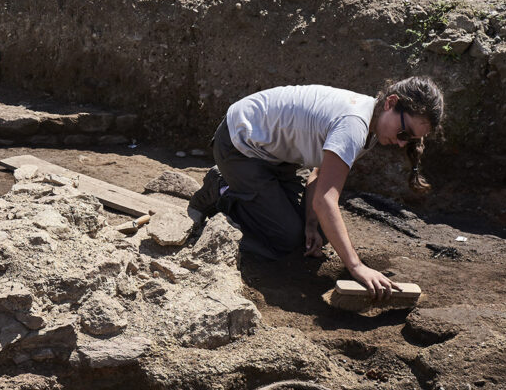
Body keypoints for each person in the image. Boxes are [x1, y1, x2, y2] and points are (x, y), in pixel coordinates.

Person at [188, 78, 444, 300]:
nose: (401, 143)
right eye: (403, 131)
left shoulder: (372, 122)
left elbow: (319, 173)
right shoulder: (354, 124)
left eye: (410, 139)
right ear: (390, 102)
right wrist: (356, 266)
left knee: (314, 230)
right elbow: (325, 200)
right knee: (284, 239)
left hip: (274, 155)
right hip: (238, 145)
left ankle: (243, 192)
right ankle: (222, 188)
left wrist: (311, 223)